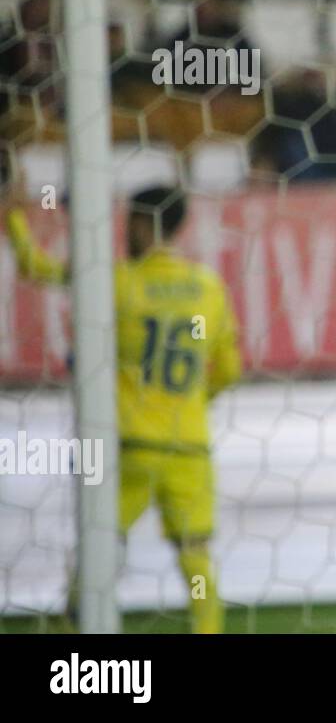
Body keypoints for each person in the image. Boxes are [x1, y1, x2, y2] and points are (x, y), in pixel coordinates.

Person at [2, 177, 242, 633]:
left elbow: (39, 268)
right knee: (195, 556)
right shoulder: (208, 288)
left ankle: (74, 639)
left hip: (125, 445)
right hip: (187, 443)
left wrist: (13, 219)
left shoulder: (116, 281)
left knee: (100, 550)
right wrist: (190, 402)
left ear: (141, 225)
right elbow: (229, 368)